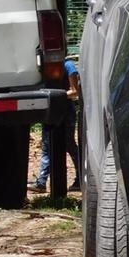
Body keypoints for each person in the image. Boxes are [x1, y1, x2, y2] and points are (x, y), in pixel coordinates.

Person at [30, 56, 81, 193]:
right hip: (50, 111)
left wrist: (56, 96)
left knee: (69, 145)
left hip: (65, 111)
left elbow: (75, 91)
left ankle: (80, 178)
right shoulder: (42, 67)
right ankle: (41, 182)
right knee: (48, 146)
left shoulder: (68, 65)